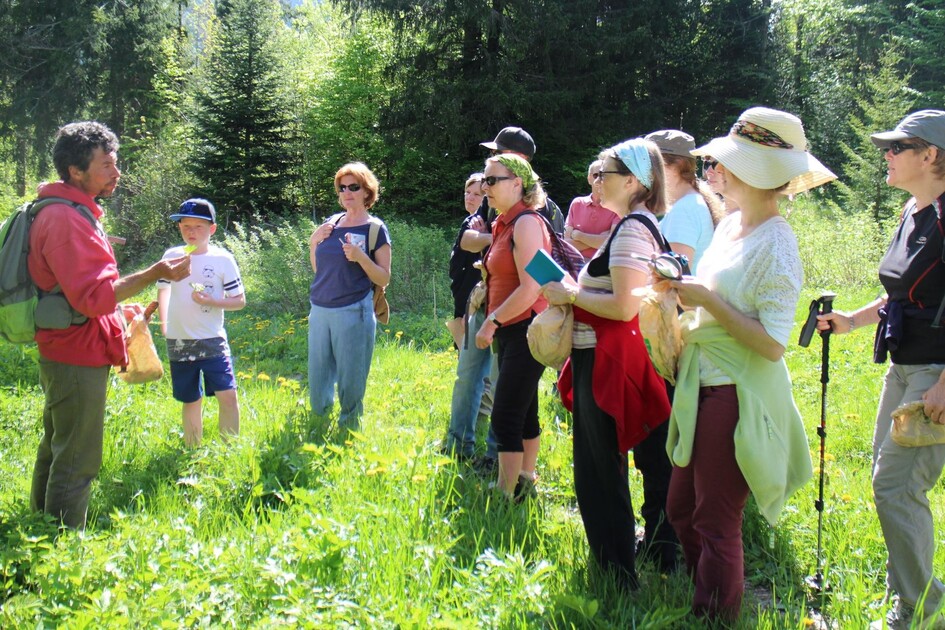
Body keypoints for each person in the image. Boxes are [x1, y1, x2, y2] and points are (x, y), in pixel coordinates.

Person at [664, 106, 834, 622]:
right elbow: (713, 295)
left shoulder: (778, 243)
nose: (713, 171)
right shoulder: (732, 224)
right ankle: (709, 594)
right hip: (703, 382)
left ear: (756, 174)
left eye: (723, 164)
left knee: (716, 518)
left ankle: (715, 614)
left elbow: (774, 344)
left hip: (738, 391)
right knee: (679, 510)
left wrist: (707, 303)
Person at [27, 121, 191, 529]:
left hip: (66, 345)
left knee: (57, 446)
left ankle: (37, 531)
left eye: (115, 163)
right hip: (76, 354)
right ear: (76, 171)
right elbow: (94, 297)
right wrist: (156, 272)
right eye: (106, 165)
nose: (116, 173)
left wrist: (126, 311)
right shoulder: (66, 220)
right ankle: (60, 550)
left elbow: (82, 294)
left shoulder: (69, 211)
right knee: (78, 457)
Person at [817, 110, 945, 630]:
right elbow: (899, 292)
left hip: (935, 371)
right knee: (887, 481)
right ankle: (908, 598)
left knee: (896, 486)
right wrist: (852, 320)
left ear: (931, 155)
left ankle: (920, 614)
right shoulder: (915, 212)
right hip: (904, 367)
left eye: (897, 147)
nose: (886, 155)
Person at [542, 138, 673, 590]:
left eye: (605, 174)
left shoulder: (633, 228)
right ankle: (629, 562)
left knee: (600, 471)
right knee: (609, 466)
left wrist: (572, 294)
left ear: (634, 181)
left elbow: (624, 306)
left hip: (608, 360)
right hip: (603, 357)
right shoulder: (633, 225)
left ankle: (617, 577)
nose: (596, 181)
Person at [474, 153, 550, 498]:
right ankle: (525, 479)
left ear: (517, 183)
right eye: (483, 180)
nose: (483, 187)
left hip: (525, 327)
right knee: (524, 406)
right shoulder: (503, 222)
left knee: (505, 413)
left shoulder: (527, 223)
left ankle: (506, 493)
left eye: (492, 180)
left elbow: (532, 286)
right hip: (512, 328)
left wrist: (492, 320)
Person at [308, 162, 392, 432]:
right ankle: (319, 423)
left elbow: (383, 277)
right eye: (342, 188)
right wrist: (313, 242)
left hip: (353, 310)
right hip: (320, 309)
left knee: (351, 376)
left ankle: (349, 428)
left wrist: (361, 258)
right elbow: (319, 269)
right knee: (319, 373)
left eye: (353, 187)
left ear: (367, 192)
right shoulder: (330, 224)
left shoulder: (375, 229)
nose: (347, 192)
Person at [157, 198, 246, 447]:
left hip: (212, 339)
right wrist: (164, 325)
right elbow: (163, 290)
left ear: (212, 229)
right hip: (179, 340)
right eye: (186, 226)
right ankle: (192, 449)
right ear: (179, 228)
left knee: (227, 395)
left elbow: (239, 301)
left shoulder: (222, 259)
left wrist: (213, 300)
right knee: (191, 399)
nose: (191, 232)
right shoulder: (171, 256)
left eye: (198, 227)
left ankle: (230, 449)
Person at [443, 173, 498, 462]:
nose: (473, 198)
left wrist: (488, 235)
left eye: (479, 193)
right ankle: (465, 430)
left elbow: (478, 245)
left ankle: (483, 418)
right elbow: (467, 243)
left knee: (487, 369)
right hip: (467, 299)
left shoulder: (499, 218)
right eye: (469, 192)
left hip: (489, 304)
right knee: (468, 365)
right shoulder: (475, 218)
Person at [645, 130, 724, 272]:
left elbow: (675, 278)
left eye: (652, 163)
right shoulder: (690, 203)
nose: (646, 170)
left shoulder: (684, 210)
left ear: (679, 164)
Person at [563, 160, 620, 260]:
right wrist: (599, 239)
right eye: (595, 175)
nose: (599, 180)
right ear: (589, 178)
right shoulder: (577, 204)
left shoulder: (617, 207)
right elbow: (567, 244)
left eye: (603, 176)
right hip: (575, 263)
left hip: (602, 266)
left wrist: (579, 236)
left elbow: (612, 243)